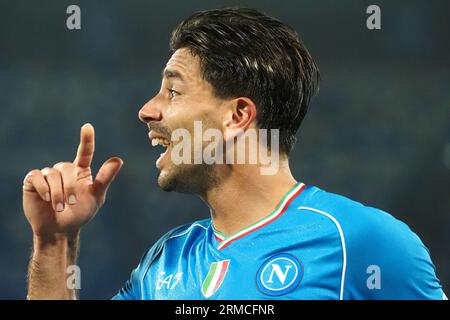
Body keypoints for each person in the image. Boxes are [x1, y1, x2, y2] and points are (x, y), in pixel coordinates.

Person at [23, 7, 446, 300]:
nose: (147, 110)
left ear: (238, 115)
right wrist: (54, 242)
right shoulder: (165, 261)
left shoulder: (363, 241)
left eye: (172, 90)